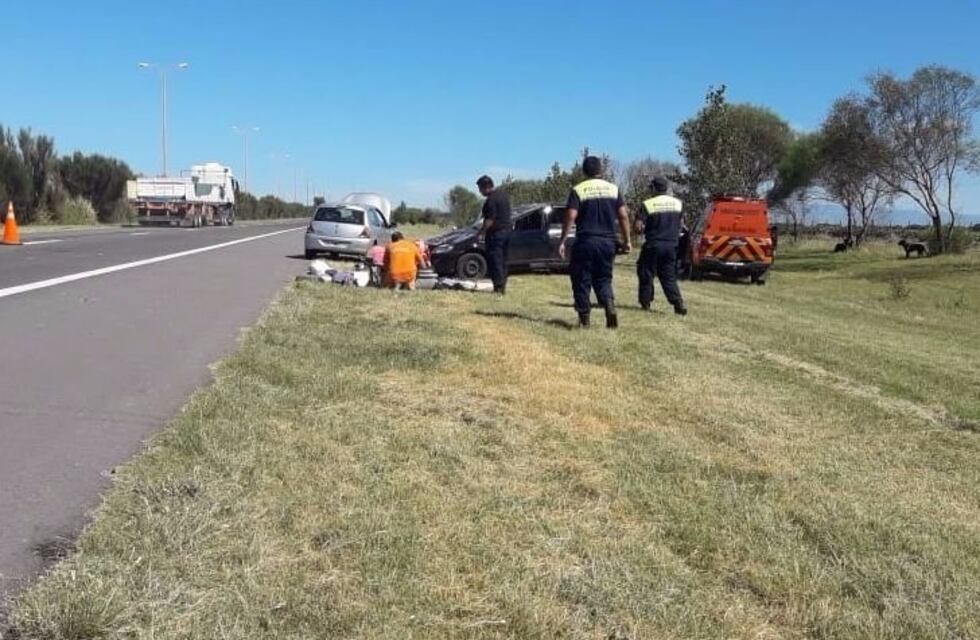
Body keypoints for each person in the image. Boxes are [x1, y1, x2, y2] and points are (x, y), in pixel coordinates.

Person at [558, 156, 632, 328]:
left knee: (581, 278)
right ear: (601, 170)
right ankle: (609, 304)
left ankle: (584, 318)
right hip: (608, 242)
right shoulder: (613, 189)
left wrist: (562, 240)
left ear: (584, 171)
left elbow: (571, 216)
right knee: (604, 278)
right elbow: (623, 215)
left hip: (586, 240)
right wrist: (627, 240)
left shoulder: (578, 189)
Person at [635, 176, 687, 315]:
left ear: (653, 188)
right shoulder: (678, 204)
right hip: (671, 246)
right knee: (668, 276)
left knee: (646, 273)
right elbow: (681, 224)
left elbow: (638, 227)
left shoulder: (648, 204)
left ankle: (645, 302)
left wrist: (642, 229)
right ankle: (678, 303)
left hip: (653, 244)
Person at [476, 175, 512, 294]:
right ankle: (502, 286)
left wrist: (481, 232)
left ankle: (498, 288)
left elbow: (489, 220)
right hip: (507, 232)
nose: (480, 192)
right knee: (503, 260)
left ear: (486, 187)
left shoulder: (491, 200)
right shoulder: (503, 195)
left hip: (496, 234)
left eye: (480, 189)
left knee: (495, 260)